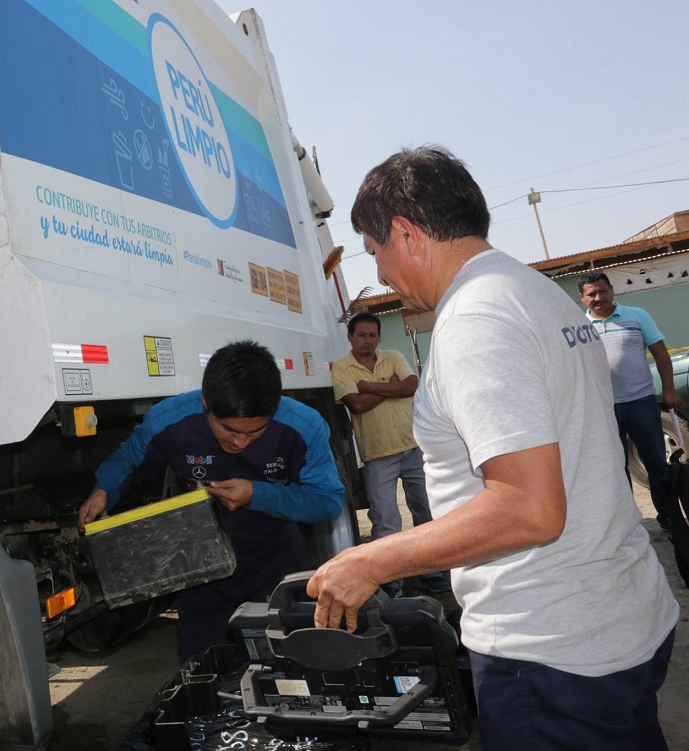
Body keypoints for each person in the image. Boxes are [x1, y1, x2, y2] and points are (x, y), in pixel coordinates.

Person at [306, 146, 678, 750]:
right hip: (616, 616)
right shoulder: (535, 292)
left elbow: (529, 507)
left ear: (406, 231)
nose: (379, 275)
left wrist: (373, 561)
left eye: (376, 252)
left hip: (551, 648)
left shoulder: (476, 319)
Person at [77, 340, 344, 661]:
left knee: (287, 671)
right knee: (204, 668)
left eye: (255, 432)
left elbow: (327, 501)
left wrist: (257, 494)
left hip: (276, 567)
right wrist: (103, 490)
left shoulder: (303, 425)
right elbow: (129, 460)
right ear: (206, 403)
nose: (240, 442)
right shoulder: (170, 421)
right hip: (202, 570)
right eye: (229, 430)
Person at [332, 312, 449, 597]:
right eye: (361, 335)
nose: (367, 341)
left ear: (379, 337)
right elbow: (356, 405)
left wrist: (370, 386)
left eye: (372, 335)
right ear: (350, 337)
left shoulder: (393, 355)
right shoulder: (342, 368)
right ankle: (392, 580)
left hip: (412, 446)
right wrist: (392, 388)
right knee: (385, 519)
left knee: (425, 511)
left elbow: (411, 386)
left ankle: (431, 572)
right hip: (378, 455)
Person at [578, 272, 684, 529]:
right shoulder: (579, 327)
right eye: (591, 294)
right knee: (615, 467)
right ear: (582, 298)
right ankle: (629, 523)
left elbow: (660, 354)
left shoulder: (637, 316)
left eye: (602, 291)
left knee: (657, 464)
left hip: (642, 402)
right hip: (604, 407)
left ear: (612, 290)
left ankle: (669, 518)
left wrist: (669, 390)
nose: (598, 297)